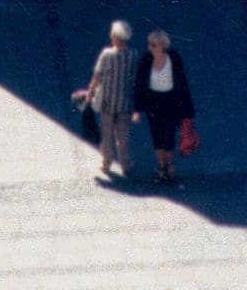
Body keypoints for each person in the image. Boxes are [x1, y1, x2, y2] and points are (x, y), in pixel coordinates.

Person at [137, 24, 196, 186]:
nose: (150, 48)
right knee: (156, 136)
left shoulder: (174, 58)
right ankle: (161, 167)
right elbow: (140, 83)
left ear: (162, 45)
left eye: (153, 45)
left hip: (170, 101)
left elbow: (182, 83)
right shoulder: (146, 59)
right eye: (149, 44)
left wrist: (188, 109)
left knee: (168, 135)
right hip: (153, 101)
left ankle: (170, 168)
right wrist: (137, 108)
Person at [81, 18, 137, 182]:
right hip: (124, 103)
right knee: (123, 137)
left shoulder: (107, 55)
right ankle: (125, 165)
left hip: (107, 102)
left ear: (115, 37)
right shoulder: (133, 55)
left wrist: (90, 93)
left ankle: (106, 163)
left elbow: (97, 76)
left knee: (107, 136)